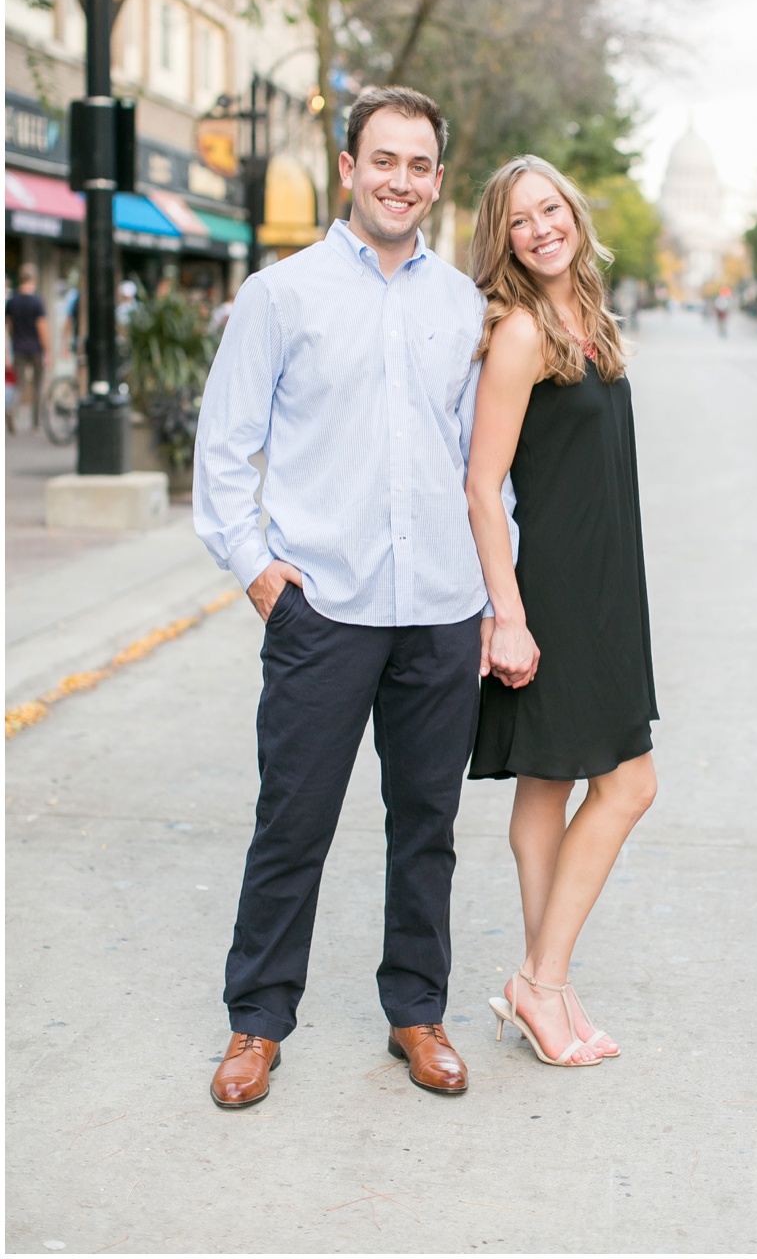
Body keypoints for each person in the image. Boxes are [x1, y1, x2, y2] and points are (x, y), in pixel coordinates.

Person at [193, 85, 488, 1109]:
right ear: (348, 167)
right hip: (323, 611)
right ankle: (256, 1021)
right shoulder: (282, 293)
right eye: (384, 159)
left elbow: (483, 470)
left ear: (435, 180)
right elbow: (222, 450)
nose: (400, 179)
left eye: (419, 164)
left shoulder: (464, 304)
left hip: (443, 610)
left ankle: (417, 1009)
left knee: (427, 822)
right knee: (293, 822)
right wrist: (260, 574)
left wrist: (498, 597)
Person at [464, 155, 659, 1069]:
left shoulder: (588, 318)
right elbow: (481, 481)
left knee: (548, 783)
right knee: (628, 784)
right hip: (554, 593)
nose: (540, 228)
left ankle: (552, 985)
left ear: (573, 213)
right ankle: (541, 981)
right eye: (518, 220)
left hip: (606, 585)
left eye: (550, 209)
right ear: (500, 239)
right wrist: (508, 612)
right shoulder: (517, 333)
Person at [7, 265, 50, 433]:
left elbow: (9, 325)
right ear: (34, 279)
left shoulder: (12, 301)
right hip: (36, 348)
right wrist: (47, 350)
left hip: (18, 347)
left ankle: (12, 409)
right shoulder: (37, 301)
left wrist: (14, 340)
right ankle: (35, 422)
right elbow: (42, 328)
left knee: (19, 384)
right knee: (38, 385)